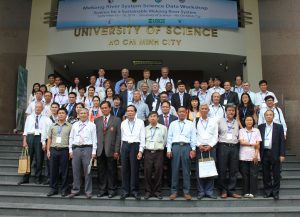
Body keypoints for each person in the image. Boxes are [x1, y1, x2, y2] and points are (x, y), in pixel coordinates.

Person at [166, 107, 197, 200]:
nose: (182, 113)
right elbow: (169, 138)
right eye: (180, 112)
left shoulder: (190, 124)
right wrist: (168, 150)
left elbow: (193, 137)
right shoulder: (173, 124)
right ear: (177, 113)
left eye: (183, 112)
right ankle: (174, 191)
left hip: (186, 147)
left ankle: (186, 192)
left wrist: (193, 149)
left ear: (186, 113)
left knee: (186, 170)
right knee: (174, 170)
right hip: (175, 147)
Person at [18, 102, 50, 185]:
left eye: (40, 107)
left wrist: (44, 142)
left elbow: (47, 131)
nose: (38, 108)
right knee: (28, 158)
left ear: (42, 109)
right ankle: (25, 178)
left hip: (40, 138)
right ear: (34, 108)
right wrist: (24, 141)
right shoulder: (29, 117)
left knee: (39, 159)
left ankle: (37, 178)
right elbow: (25, 130)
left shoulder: (46, 119)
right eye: (36, 107)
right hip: (30, 137)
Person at [69, 108, 97, 199]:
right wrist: (70, 150)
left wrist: (94, 152)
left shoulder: (92, 125)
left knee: (87, 171)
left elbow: (94, 139)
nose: (83, 115)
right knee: (75, 170)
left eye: (85, 113)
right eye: (81, 113)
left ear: (88, 114)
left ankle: (88, 191)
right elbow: (71, 138)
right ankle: (75, 190)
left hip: (87, 148)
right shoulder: (75, 125)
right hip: (76, 149)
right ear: (78, 114)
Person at [138, 111, 167, 200]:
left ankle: (157, 191)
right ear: (148, 118)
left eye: (154, 116)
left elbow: (165, 141)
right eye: (151, 116)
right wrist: (141, 152)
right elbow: (142, 141)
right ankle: (148, 191)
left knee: (159, 172)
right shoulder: (145, 128)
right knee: (147, 172)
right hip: (148, 152)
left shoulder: (163, 128)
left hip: (159, 152)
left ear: (158, 118)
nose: (153, 118)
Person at [95, 101, 121, 198]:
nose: (104, 109)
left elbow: (118, 136)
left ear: (110, 108)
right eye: (102, 108)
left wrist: (116, 150)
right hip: (100, 149)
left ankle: (112, 190)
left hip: (111, 150)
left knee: (111, 171)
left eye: (106, 108)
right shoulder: (97, 120)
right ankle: (102, 190)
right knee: (101, 171)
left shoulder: (117, 120)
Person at [258, 110, 285, 200]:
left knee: (276, 174)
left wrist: (282, 154)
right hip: (264, 153)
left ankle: (275, 192)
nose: (269, 116)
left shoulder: (279, 127)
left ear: (273, 116)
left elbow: (282, 142)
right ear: (264, 117)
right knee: (266, 174)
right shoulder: (260, 127)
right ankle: (268, 192)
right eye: (267, 115)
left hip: (275, 153)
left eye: (270, 115)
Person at [120, 105, 145, 200]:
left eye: (132, 111)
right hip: (125, 146)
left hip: (135, 146)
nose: (130, 113)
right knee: (125, 170)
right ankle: (125, 191)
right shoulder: (123, 123)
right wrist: (121, 150)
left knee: (134, 169)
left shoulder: (140, 122)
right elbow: (122, 138)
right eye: (128, 111)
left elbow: (142, 137)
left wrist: (141, 151)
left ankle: (134, 191)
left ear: (135, 112)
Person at [46, 108, 72, 197]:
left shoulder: (70, 126)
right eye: (59, 113)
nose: (61, 114)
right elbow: (49, 138)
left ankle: (64, 189)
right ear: (57, 115)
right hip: (54, 149)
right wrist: (48, 150)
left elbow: (71, 139)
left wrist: (70, 151)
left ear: (66, 115)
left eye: (63, 113)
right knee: (53, 170)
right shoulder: (53, 125)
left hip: (65, 150)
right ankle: (53, 189)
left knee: (64, 171)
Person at [218, 104, 242, 199]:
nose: (231, 112)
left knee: (233, 170)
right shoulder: (220, 121)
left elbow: (242, 131)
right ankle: (223, 190)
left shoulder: (237, 122)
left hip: (234, 147)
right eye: (229, 110)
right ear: (226, 111)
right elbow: (216, 133)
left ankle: (231, 190)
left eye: (233, 110)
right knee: (222, 169)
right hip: (223, 146)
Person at [196, 103, 218, 199]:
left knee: (210, 170)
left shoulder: (213, 121)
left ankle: (209, 191)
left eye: (206, 109)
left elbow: (215, 135)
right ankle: (201, 191)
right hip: (200, 148)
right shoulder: (196, 121)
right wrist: (199, 144)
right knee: (199, 170)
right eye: (202, 108)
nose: (204, 110)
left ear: (208, 110)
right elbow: (193, 134)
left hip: (211, 148)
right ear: (200, 110)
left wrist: (210, 145)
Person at [239, 115, 261, 198]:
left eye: (250, 120)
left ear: (253, 121)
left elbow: (258, 144)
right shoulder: (241, 131)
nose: (249, 122)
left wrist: (256, 154)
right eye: (247, 120)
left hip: (254, 155)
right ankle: (245, 192)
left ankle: (252, 192)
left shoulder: (257, 131)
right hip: (243, 156)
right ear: (244, 122)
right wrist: (252, 144)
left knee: (254, 174)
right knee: (245, 174)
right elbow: (241, 142)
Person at [158, 101, 178, 187]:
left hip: (171, 145)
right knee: (160, 164)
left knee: (171, 165)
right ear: (161, 108)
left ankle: (170, 182)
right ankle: (161, 182)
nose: (165, 108)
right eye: (163, 107)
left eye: (167, 107)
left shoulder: (175, 118)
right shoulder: (157, 118)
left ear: (170, 108)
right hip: (160, 145)